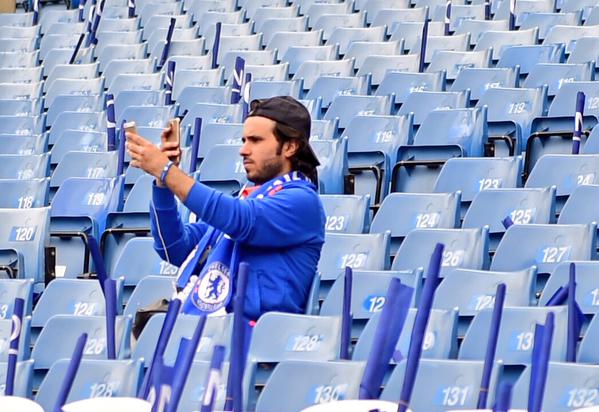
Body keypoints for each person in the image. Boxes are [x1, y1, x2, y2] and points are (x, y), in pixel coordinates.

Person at [126, 96, 326, 320]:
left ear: (290, 146)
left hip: (254, 338)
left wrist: (166, 170)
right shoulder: (247, 199)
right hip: (209, 331)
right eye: (244, 140)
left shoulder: (302, 200)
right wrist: (162, 183)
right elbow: (173, 247)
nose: (243, 150)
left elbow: (241, 220)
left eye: (255, 140)